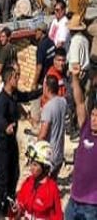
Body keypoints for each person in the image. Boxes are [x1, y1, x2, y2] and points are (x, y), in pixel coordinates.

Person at [0, 66, 43, 217]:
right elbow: (0, 117)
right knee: (3, 176)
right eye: (16, 76)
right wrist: (6, 126)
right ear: (8, 79)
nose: (18, 78)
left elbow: (27, 96)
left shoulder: (14, 95)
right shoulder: (2, 99)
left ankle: (9, 199)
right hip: (2, 143)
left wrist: (42, 90)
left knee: (14, 172)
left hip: (11, 141)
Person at [65, 65, 97, 219]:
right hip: (74, 199)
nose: (94, 119)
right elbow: (79, 102)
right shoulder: (85, 128)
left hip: (92, 205)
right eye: (93, 115)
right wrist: (75, 78)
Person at [12, 141, 63, 220]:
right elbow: (21, 202)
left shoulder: (52, 189)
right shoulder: (28, 182)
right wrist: (16, 208)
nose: (31, 167)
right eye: (31, 163)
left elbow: (57, 215)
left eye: (35, 165)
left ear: (45, 167)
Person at [38, 75, 67, 178]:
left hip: (49, 155)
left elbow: (43, 134)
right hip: (59, 153)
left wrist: (36, 147)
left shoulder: (48, 107)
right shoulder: (63, 102)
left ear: (47, 88)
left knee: (43, 185)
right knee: (53, 183)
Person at [67, 16, 90, 136]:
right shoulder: (85, 39)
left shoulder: (75, 41)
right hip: (85, 74)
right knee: (83, 104)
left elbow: (75, 64)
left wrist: (74, 80)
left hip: (77, 76)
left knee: (78, 104)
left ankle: (81, 131)